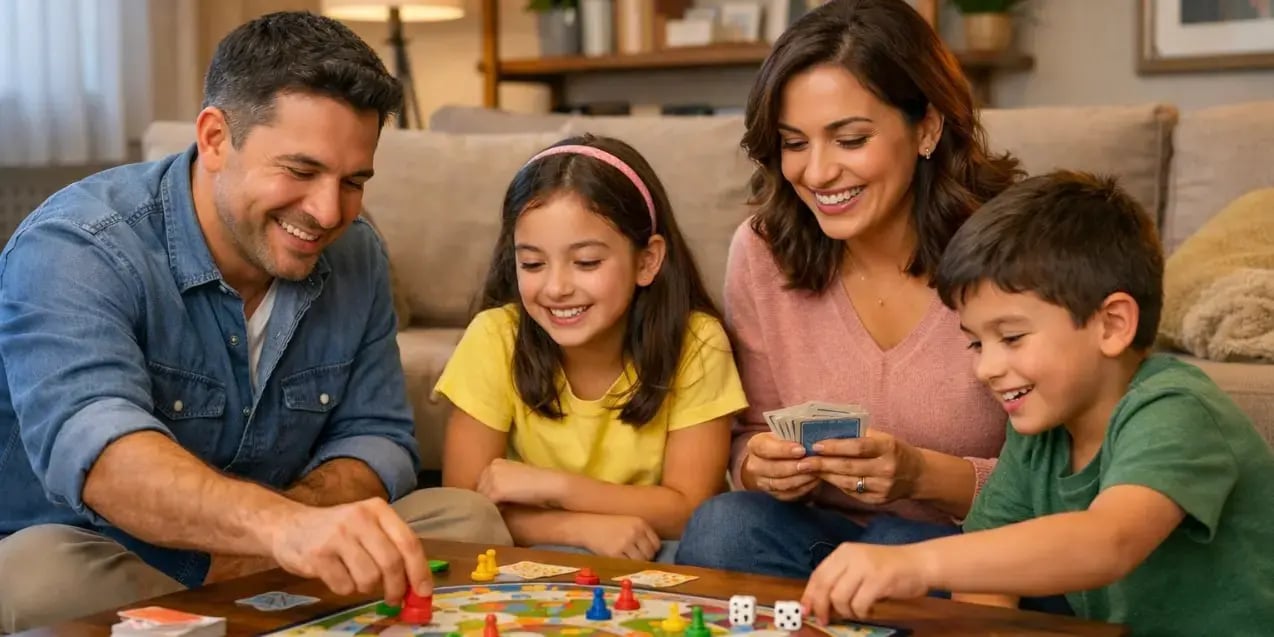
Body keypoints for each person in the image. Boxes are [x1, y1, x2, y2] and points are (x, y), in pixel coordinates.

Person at [0, 12, 510, 633]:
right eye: (300, 171)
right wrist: (280, 528)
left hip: (285, 559)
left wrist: (283, 533)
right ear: (216, 138)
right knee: (35, 576)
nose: (327, 213)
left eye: (353, 181)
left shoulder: (358, 253)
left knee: (464, 519)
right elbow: (102, 457)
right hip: (118, 557)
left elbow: (377, 438)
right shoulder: (78, 245)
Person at [801, 171, 1274, 635]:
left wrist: (917, 564)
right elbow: (986, 575)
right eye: (975, 344)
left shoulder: (1176, 410)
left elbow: (1108, 542)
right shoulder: (1037, 433)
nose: (985, 368)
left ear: (1111, 324)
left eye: (1010, 337)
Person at [675, 0, 1022, 578]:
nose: (817, 173)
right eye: (794, 143)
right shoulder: (763, 251)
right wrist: (761, 467)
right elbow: (749, 436)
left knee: (897, 543)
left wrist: (922, 477)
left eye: (850, 139)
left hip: (969, 548)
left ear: (928, 127)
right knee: (724, 527)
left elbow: (1062, 486)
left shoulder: (1013, 250)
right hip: (821, 543)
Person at [435, 135, 747, 563]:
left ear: (647, 261)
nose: (557, 288)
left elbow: (690, 508)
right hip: (528, 548)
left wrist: (554, 487)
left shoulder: (697, 343)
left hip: (662, 547)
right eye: (532, 263)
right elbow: (463, 510)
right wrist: (578, 526)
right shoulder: (495, 336)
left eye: (586, 263)